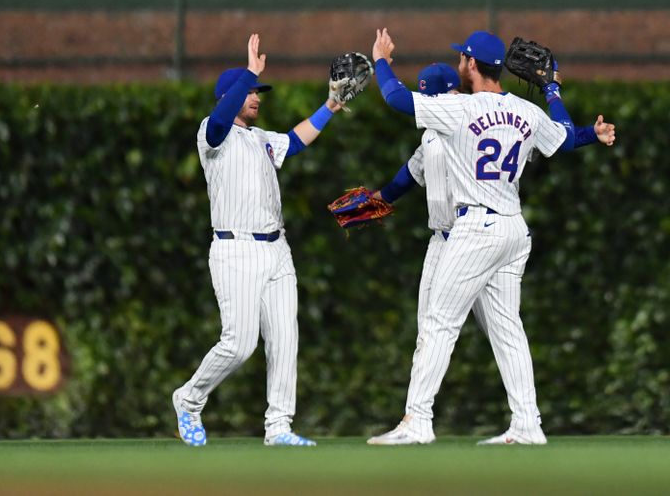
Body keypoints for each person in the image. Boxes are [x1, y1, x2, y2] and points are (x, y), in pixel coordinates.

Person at [366, 29, 615, 445]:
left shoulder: (460, 108)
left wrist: (380, 61)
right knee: (507, 330)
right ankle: (527, 423)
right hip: (514, 229)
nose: (460, 64)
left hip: (476, 229)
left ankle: (418, 421)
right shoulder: (527, 111)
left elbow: (395, 98)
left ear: (471, 65)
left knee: (439, 323)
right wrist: (553, 90)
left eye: (463, 59)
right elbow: (568, 137)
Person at [172, 33, 343, 447]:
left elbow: (296, 140)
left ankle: (279, 427)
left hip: (276, 250)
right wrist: (247, 71)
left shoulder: (261, 138)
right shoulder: (211, 137)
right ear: (231, 95)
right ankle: (189, 399)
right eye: (250, 92)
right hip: (235, 249)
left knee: (286, 339)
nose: (257, 97)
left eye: (257, 91)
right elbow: (218, 120)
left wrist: (331, 106)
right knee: (239, 343)